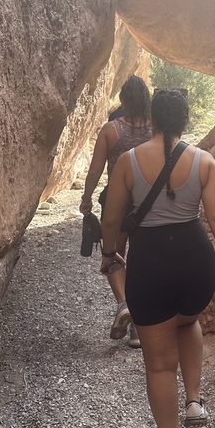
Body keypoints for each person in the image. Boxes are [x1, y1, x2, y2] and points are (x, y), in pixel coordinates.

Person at [100, 88, 215, 428]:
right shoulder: (205, 162)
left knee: (160, 363)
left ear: (154, 120)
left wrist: (110, 254)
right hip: (196, 262)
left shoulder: (128, 162)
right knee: (187, 321)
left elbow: (112, 219)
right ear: (184, 121)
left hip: (151, 264)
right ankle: (194, 403)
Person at [79, 75, 152, 348]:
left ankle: (124, 306)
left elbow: (96, 169)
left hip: (117, 201)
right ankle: (138, 327)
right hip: (147, 203)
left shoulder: (111, 130)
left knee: (113, 255)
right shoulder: (157, 129)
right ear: (147, 101)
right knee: (141, 259)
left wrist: (86, 198)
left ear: (122, 101)